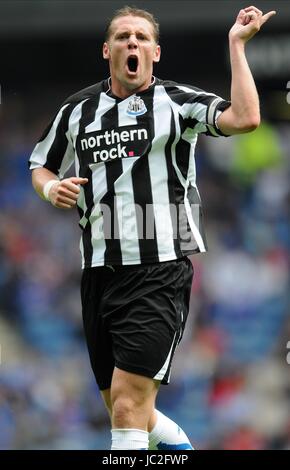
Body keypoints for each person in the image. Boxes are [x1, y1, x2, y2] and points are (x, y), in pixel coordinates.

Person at [29, 5, 276, 450]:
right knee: (125, 411)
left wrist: (236, 46)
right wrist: (51, 190)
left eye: (142, 38)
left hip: (158, 271)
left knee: (126, 408)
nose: (132, 44)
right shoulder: (77, 110)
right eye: (123, 36)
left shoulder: (178, 102)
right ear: (107, 49)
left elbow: (245, 118)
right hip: (99, 273)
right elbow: (41, 166)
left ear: (155, 52)